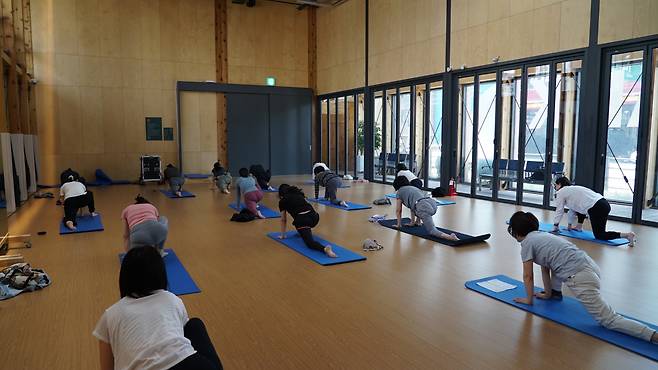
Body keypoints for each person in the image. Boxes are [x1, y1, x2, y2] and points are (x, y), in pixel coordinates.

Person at [508, 211, 658, 344]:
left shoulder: (527, 243)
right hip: (589, 265)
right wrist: (547, 294)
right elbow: (546, 266)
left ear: (516, 232)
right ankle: (554, 293)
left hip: (580, 277)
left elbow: (528, 276)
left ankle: (652, 335)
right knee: (557, 265)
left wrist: (528, 300)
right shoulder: (543, 236)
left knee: (608, 320)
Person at [93, 246, 223, 370]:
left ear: (124, 279)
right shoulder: (172, 299)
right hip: (190, 365)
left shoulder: (111, 314)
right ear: (161, 275)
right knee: (194, 324)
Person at [552, 177, 636, 246]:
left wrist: (556, 225)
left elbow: (559, 210)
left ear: (559, 184)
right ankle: (579, 227)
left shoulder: (561, 192)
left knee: (600, 235)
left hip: (596, 208)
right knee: (600, 230)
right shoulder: (574, 189)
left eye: (555, 185)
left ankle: (627, 235)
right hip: (604, 203)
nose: (555, 187)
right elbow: (575, 210)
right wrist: (574, 226)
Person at [277, 184, 336, 258]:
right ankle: (303, 231)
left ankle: (325, 249)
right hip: (315, 217)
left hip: (303, 221)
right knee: (299, 223)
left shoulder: (282, 201)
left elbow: (283, 220)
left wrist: (282, 235)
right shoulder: (299, 194)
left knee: (310, 243)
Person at [393, 176, 458, 241]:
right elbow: (414, 205)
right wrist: (413, 222)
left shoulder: (400, 192)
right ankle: (417, 222)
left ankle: (450, 237)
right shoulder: (413, 188)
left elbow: (398, 210)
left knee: (432, 231)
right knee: (417, 205)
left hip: (424, 207)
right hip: (432, 203)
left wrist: (399, 225)